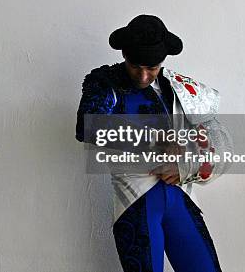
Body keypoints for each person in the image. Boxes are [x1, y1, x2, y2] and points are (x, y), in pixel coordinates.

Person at [76, 14, 233, 272]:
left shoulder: (178, 87)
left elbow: (220, 142)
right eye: (136, 66)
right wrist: (157, 139)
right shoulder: (105, 82)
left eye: (153, 67)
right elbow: (88, 127)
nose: (144, 75)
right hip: (134, 198)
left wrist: (188, 164)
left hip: (180, 195)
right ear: (124, 55)